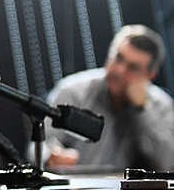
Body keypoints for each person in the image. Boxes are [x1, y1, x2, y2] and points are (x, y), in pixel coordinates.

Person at [40, 24, 174, 171]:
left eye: (133, 67)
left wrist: (142, 110)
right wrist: (51, 156)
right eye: (118, 58)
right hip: (74, 188)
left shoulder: (162, 106)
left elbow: (169, 163)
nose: (119, 70)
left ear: (150, 75)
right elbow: (39, 144)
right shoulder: (72, 91)